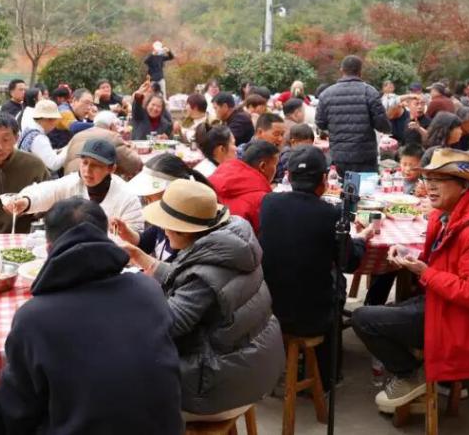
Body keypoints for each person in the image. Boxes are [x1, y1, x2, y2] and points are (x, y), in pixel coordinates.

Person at [350, 148, 469, 413]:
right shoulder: (449, 215)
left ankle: (412, 374)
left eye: (439, 180)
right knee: (381, 312)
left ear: (464, 185)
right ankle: (421, 372)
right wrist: (412, 255)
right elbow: (445, 261)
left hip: (465, 322)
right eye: (428, 179)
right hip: (445, 304)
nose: (429, 186)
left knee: (364, 319)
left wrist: (425, 272)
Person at [0, 198, 182, 435]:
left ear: (49, 248)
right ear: (107, 237)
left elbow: (17, 412)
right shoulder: (148, 290)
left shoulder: (33, 318)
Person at [123, 179, 284, 421]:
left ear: (186, 231)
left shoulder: (205, 273)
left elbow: (167, 324)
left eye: (168, 226)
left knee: (121, 388)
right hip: (252, 367)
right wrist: (146, 261)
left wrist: (123, 303)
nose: (164, 231)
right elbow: (194, 277)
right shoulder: (232, 246)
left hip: (217, 386)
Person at [259, 146, 374, 388]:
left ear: (288, 176)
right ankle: (327, 376)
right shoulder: (330, 214)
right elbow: (349, 262)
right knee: (336, 284)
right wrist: (362, 239)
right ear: (323, 180)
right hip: (310, 317)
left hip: (268, 307)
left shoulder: (269, 203)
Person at [3, 138, 144, 230]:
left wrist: (124, 232)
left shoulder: (126, 196)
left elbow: (136, 237)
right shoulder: (73, 182)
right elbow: (46, 191)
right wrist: (25, 201)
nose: (87, 170)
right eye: (84, 162)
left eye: (96, 165)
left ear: (111, 169)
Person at [113, 154, 212, 263]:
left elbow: (174, 270)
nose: (148, 205)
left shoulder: (185, 235)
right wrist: (125, 232)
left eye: (151, 200)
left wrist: (143, 259)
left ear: (174, 195)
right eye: (146, 200)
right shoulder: (162, 222)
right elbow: (145, 242)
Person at [315, 55, 390, 175]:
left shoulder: (326, 94)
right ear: (360, 71)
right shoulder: (370, 92)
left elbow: (320, 123)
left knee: (341, 185)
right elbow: (382, 125)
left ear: (341, 70)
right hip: (365, 154)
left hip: (339, 154)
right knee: (366, 186)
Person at [209, 140, 278, 233]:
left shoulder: (218, 176)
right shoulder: (262, 200)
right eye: (275, 165)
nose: (276, 170)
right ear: (262, 166)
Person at [63, 110, 142, 178]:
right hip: (93, 183)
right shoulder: (113, 137)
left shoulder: (77, 136)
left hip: (70, 181)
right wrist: (132, 150)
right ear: (112, 125)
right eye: (117, 125)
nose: (118, 129)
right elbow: (133, 165)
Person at [17, 99, 67, 173]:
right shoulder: (39, 138)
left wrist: (58, 151)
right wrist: (68, 149)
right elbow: (54, 164)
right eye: (55, 120)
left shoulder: (28, 130)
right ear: (49, 120)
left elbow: (40, 152)